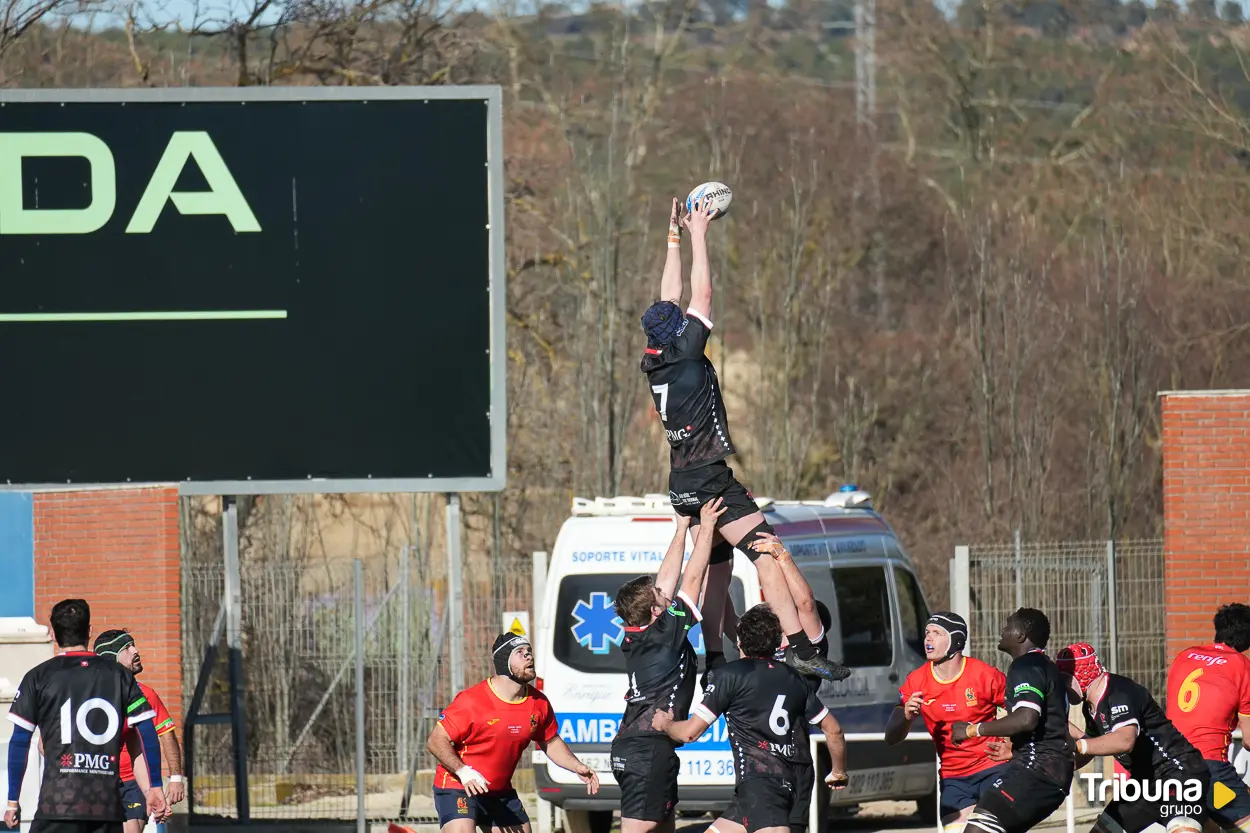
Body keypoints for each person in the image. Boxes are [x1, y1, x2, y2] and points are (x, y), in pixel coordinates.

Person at [639, 197, 847, 685]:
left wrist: (672, 236)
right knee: (766, 553)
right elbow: (703, 291)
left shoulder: (655, 357)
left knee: (717, 567)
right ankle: (801, 648)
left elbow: (669, 298)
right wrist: (699, 232)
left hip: (682, 482)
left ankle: (714, 657)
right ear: (681, 332)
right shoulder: (689, 351)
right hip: (710, 479)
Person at [652, 604, 848, 833]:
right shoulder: (794, 678)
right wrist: (838, 771)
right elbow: (834, 730)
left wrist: (665, 724)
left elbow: (689, 733)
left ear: (739, 642)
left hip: (762, 781)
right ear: (777, 642)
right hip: (788, 781)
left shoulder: (730, 676)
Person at [611, 498, 726, 833]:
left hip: (640, 744)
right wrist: (706, 528)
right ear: (655, 611)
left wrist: (680, 529)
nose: (666, 593)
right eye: (661, 596)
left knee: (663, 827)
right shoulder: (665, 632)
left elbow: (665, 582)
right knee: (637, 830)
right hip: (647, 748)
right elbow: (693, 578)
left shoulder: (635, 634)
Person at [5, 599, 169, 833]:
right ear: (90, 631)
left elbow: (20, 740)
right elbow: (147, 731)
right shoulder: (120, 676)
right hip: (106, 806)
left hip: (57, 805)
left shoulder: (38, 677)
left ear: (53, 634)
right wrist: (155, 786)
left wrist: (13, 800)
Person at [426, 633, 599, 833]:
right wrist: (463, 771)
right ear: (504, 663)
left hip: (498, 791)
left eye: (529, 651)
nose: (529, 656)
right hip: (458, 785)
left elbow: (550, 741)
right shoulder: (471, 701)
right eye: (520, 652)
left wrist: (576, 766)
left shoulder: (538, 703)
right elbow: (435, 740)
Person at [1059, 642, 1207, 833]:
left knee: (1183, 829)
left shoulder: (1119, 692)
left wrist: (1078, 745)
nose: (1062, 687)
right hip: (1143, 783)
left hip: (1178, 772)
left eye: (1064, 680)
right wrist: (1058, 765)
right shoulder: (1090, 708)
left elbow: (1124, 740)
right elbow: (1092, 747)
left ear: (1082, 674)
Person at [949, 608, 1072, 833]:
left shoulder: (1026, 665)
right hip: (1045, 771)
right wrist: (1016, 750)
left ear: (1021, 635)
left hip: (1037, 771)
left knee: (977, 830)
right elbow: (1048, 726)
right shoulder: (1043, 665)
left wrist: (972, 730)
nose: (1003, 630)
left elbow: (1026, 718)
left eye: (1008, 625)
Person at [885, 612, 1009, 833]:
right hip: (954, 778)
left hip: (993, 769)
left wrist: (1013, 745)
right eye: (927, 633)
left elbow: (1023, 712)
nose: (928, 638)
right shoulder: (917, 680)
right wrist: (906, 716)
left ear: (956, 640)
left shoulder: (984, 674)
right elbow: (891, 737)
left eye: (937, 633)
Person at [747, 534, 837, 833]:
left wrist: (781, 556)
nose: (790, 616)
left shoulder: (809, 650)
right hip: (756, 758)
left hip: (791, 757)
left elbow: (805, 603)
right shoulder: (766, 644)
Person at [1166, 604, 1250, 833]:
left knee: (1205, 820)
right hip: (1210, 768)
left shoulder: (1184, 656)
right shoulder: (1242, 666)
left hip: (1168, 764)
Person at [93, 630, 185, 833]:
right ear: (111, 657)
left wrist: (175, 779)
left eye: (133, 644)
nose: (136, 651)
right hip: (95, 778)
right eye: (127, 647)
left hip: (132, 781)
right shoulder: (89, 696)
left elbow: (165, 734)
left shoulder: (146, 694)